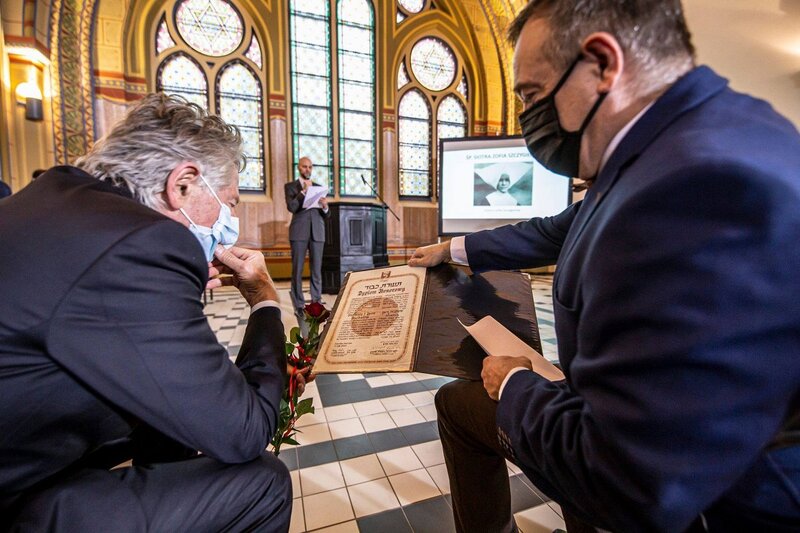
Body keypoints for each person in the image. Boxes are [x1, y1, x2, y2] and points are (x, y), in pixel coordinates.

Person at [409, 1, 800, 531]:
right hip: (653, 423)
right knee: (461, 404)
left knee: (472, 405)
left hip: (728, 499)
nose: (527, 117)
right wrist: (453, 250)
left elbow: (631, 480)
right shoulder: (693, 137)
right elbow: (555, 230)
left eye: (530, 94)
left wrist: (518, 385)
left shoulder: (694, 187)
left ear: (601, 64)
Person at [0, 94, 295, 531]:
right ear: (183, 185)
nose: (231, 217)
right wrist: (265, 300)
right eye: (230, 201)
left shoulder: (60, 199)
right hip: (14, 501)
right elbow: (244, 432)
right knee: (263, 484)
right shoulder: (142, 243)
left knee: (170, 427)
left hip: (27, 449)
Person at [284, 156, 330, 335]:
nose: (307, 169)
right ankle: (298, 303)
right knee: (297, 269)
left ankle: (316, 302)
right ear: (299, 167)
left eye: (310, 167)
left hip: (317, 231)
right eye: (304, 166)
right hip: (299, 231)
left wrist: (325, 206)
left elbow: (326, 215)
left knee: (316, 269)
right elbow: (292, 207)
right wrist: (303, 192)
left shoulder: (319, 187)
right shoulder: (291, 187)